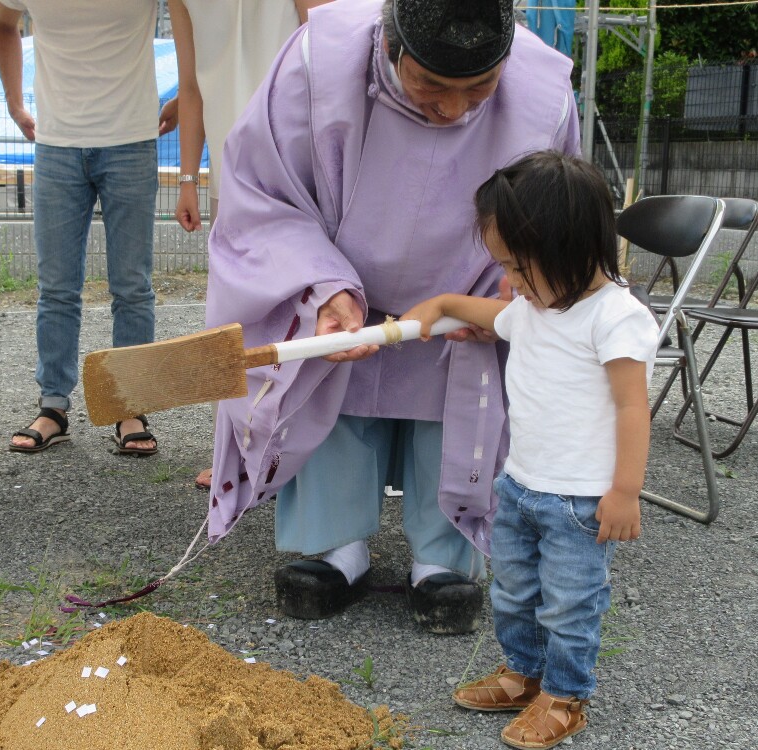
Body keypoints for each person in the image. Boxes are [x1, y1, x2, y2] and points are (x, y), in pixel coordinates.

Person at [203, 0, 581, 634]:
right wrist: (320, 289)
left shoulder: (542, 96)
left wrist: (504, 302)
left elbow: (554, 218)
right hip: (334, 281)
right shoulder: (316, 65)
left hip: (471, 296)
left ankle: (443, 555)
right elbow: (261, 193)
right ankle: (333, 548)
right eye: (432, 84)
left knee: (462, 407)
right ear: (390, 44)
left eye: (479, 88)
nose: (454, 108)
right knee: (332, 391)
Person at [401, 150, 657, 749]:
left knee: (570, 604)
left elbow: (632, 408)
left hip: (582, 502)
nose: (508, 282)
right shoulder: (534, 307)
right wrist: (440, 306)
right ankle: (522, 674)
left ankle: (565, 698)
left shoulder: (616, 319)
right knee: (514, 590)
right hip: (518, 486)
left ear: (567, 248)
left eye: (517, 266)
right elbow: (487, 314)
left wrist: (624, 490)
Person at [0, 1, 174, 456]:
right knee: (56, 287)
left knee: (132, 286)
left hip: (131, 138)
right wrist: (14, 103)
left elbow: (192, 16)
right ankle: (53, 406)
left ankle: (130, 406)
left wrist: (189, 94)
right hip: (57, 143)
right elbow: (3, 26)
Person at [167, 0, 331, 490]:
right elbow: (192, 85)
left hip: (299, 165)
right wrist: (189, 177)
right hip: (230, 170)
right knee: (232, 318)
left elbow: (327, 50)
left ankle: (308, 448)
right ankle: (234, 450)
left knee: (311, 306)